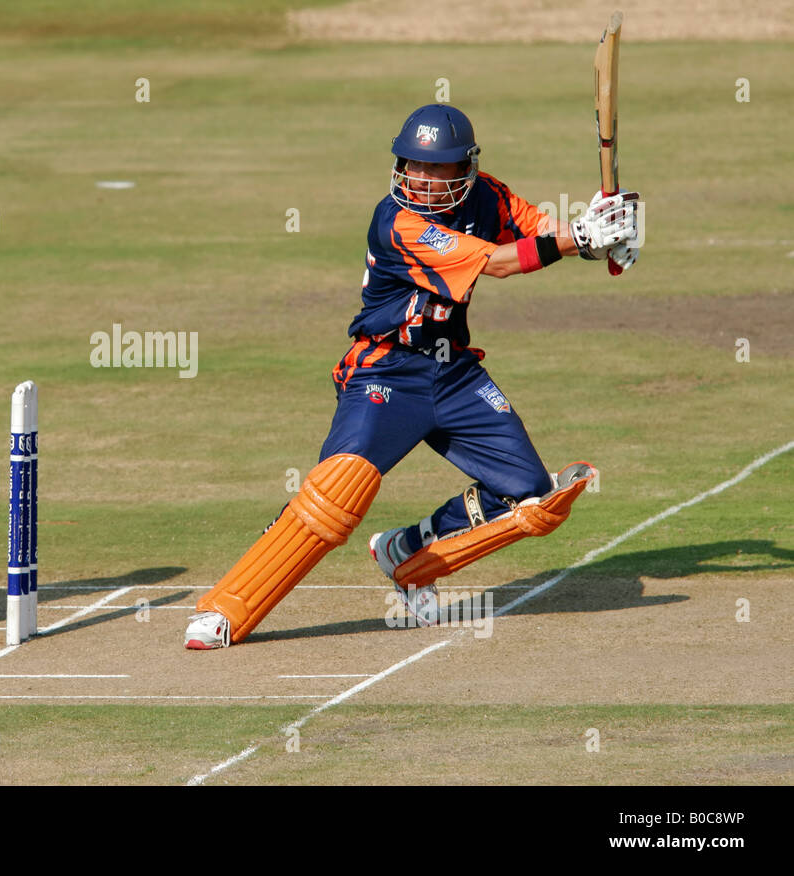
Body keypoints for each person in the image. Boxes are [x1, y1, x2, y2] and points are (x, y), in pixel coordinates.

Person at [185, 105, 640, 649]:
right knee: (336, 494)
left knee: (530, 499)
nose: (420, 178)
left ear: (465, 168)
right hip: (386, 371)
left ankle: (408, 556)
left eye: (436, 167)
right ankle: (227, 607)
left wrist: (600, 230)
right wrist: (580, 239)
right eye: (411, 165)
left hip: (454, 373)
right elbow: (499, 261)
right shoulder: (396, 222)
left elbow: (541, 232)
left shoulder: (487, 197)